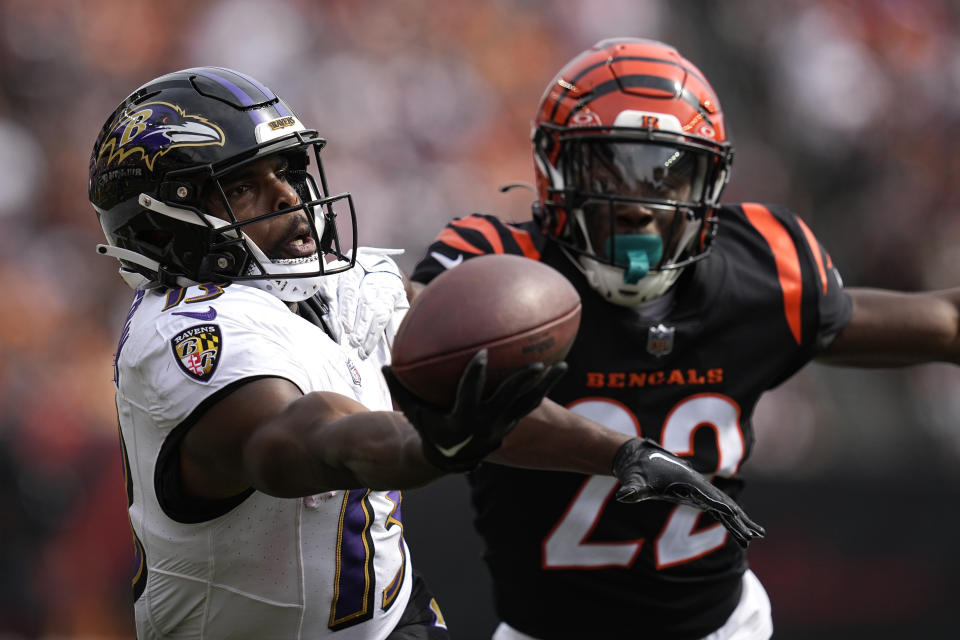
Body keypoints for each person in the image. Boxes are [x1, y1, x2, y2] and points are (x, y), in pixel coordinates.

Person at [89, 66, 763, 639]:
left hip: (394, 619)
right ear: (162, 220)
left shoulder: (344, 287)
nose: (290, 195)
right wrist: (430, 449)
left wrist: (622, 452)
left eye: (287, 169)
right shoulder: (184, 333)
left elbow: (474, 394)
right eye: (243, 185)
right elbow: (306, 441)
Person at [409, 38, 960, 640]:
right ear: (555, 170)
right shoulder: (500, 276)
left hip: (721, 628)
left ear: (709, 185)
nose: (640, 205)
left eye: (668, 174)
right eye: (610, 168)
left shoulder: (762, 271)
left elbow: (940, 323)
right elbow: (415, 339)